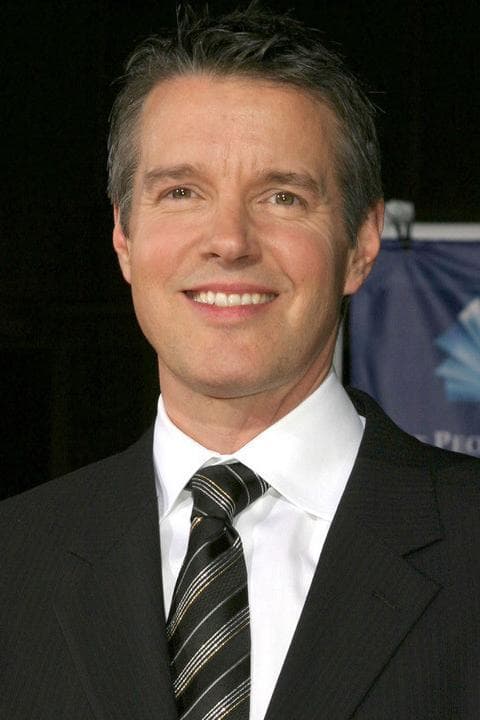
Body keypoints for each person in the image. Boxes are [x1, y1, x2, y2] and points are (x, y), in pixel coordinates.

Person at [1, 5, 479, 720]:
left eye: (282, 196)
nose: (229, 240)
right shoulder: (14, 560)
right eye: (181, 193)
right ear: (124, 236)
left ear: (362, 242)